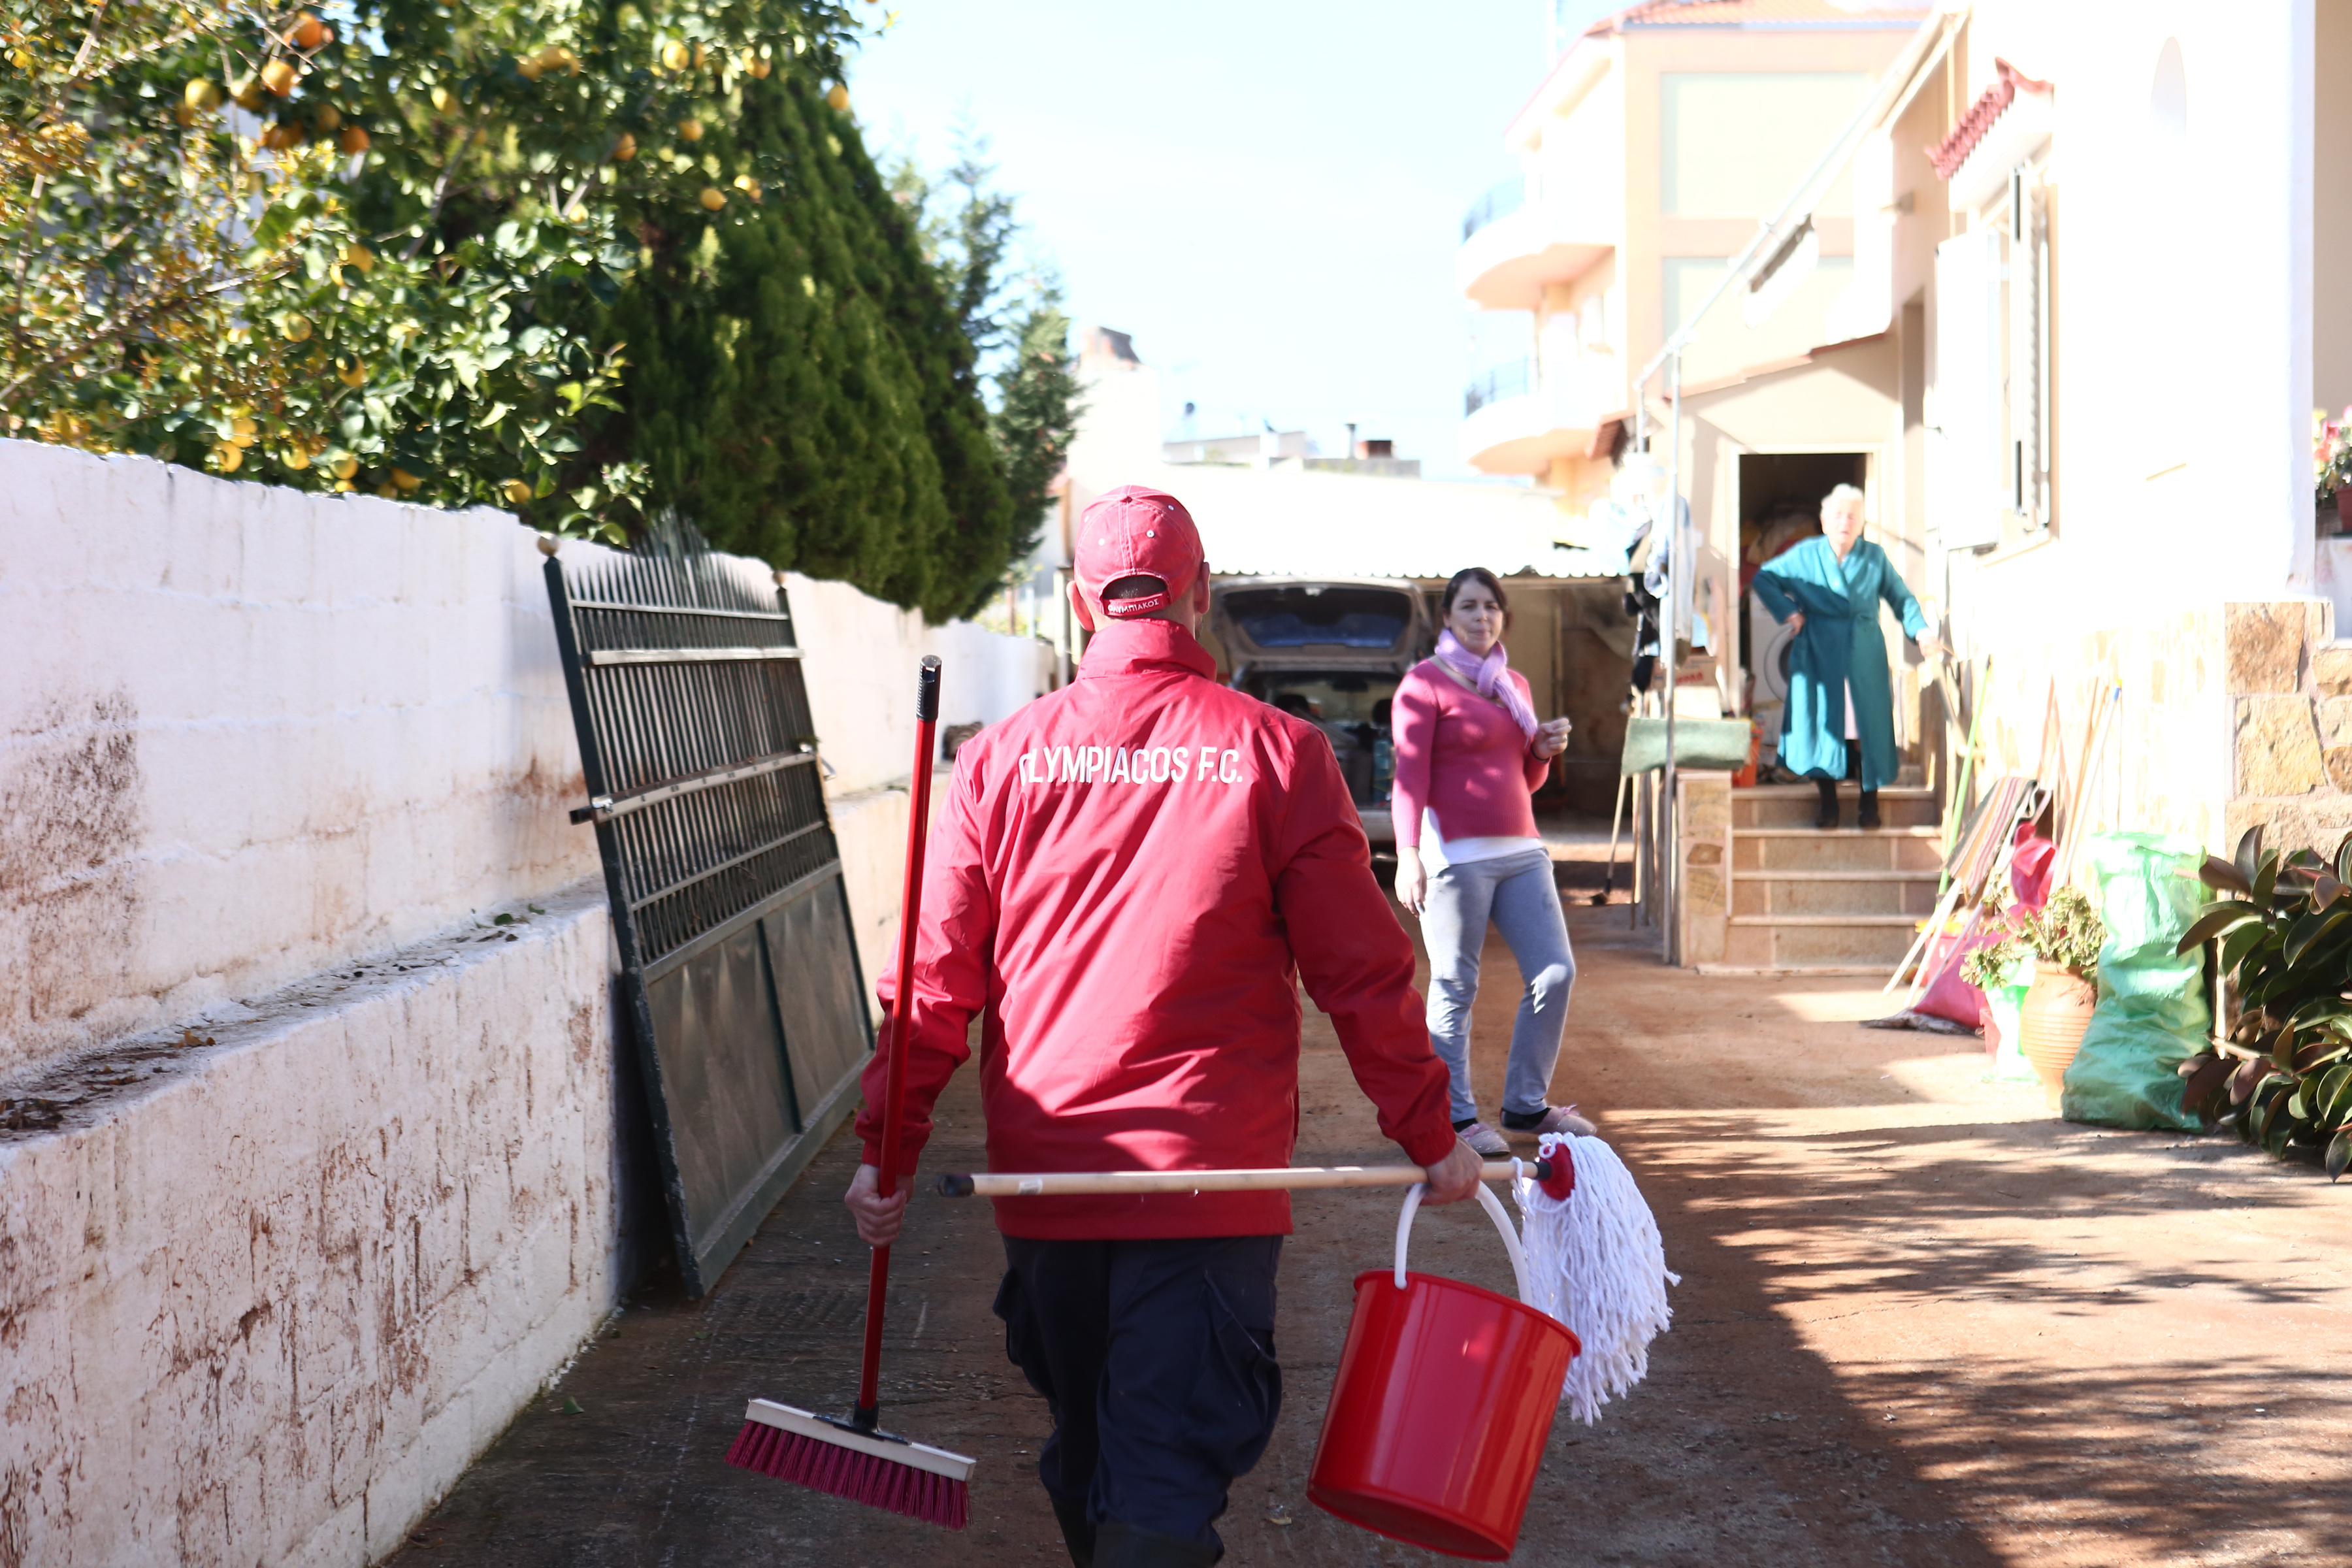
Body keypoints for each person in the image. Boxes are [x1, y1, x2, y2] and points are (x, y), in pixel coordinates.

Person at [843, 485, 1482, 1568]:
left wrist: (885, 1148)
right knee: (1156, 1473)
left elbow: (933, 983)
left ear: (1082, 602)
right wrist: (1432, 1130)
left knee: (1096, 1452)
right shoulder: (1280, 753)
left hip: (1047, 1182)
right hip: (1208, 1183)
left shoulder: (1001, 759)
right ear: (1200, 593)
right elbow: (1362, 975)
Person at [1388, 568, 1591, 1160]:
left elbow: (1524, 781)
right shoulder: (1422, 685)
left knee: (1555, 973)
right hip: (1454, 857)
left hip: (1522, 851)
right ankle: (1454, 1119)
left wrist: (1541, 752)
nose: (1482, 617)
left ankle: (1526, 1104)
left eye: (1492, 607)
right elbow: (1409, 778)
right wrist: (1407, 855)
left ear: (1503, 617)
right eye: (1470, 607)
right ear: (1447, 618)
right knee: (1455, 985)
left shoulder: (1512, 683)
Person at [1751, 484, 1948, 828]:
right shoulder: (1805, 554)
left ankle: (1869, 804)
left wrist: (1923, 633)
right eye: (1838, 515)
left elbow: (1901, 598)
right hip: (1818, 652)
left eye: (1853, 517)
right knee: (1822, 726)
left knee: (1866, 727)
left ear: (1861, 524)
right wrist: (1791, 614)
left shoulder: (1874, 557)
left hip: (1863, 651)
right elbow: (1764, 578)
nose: (1845, 522)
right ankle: (1828, 805)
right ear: (1824, 522)